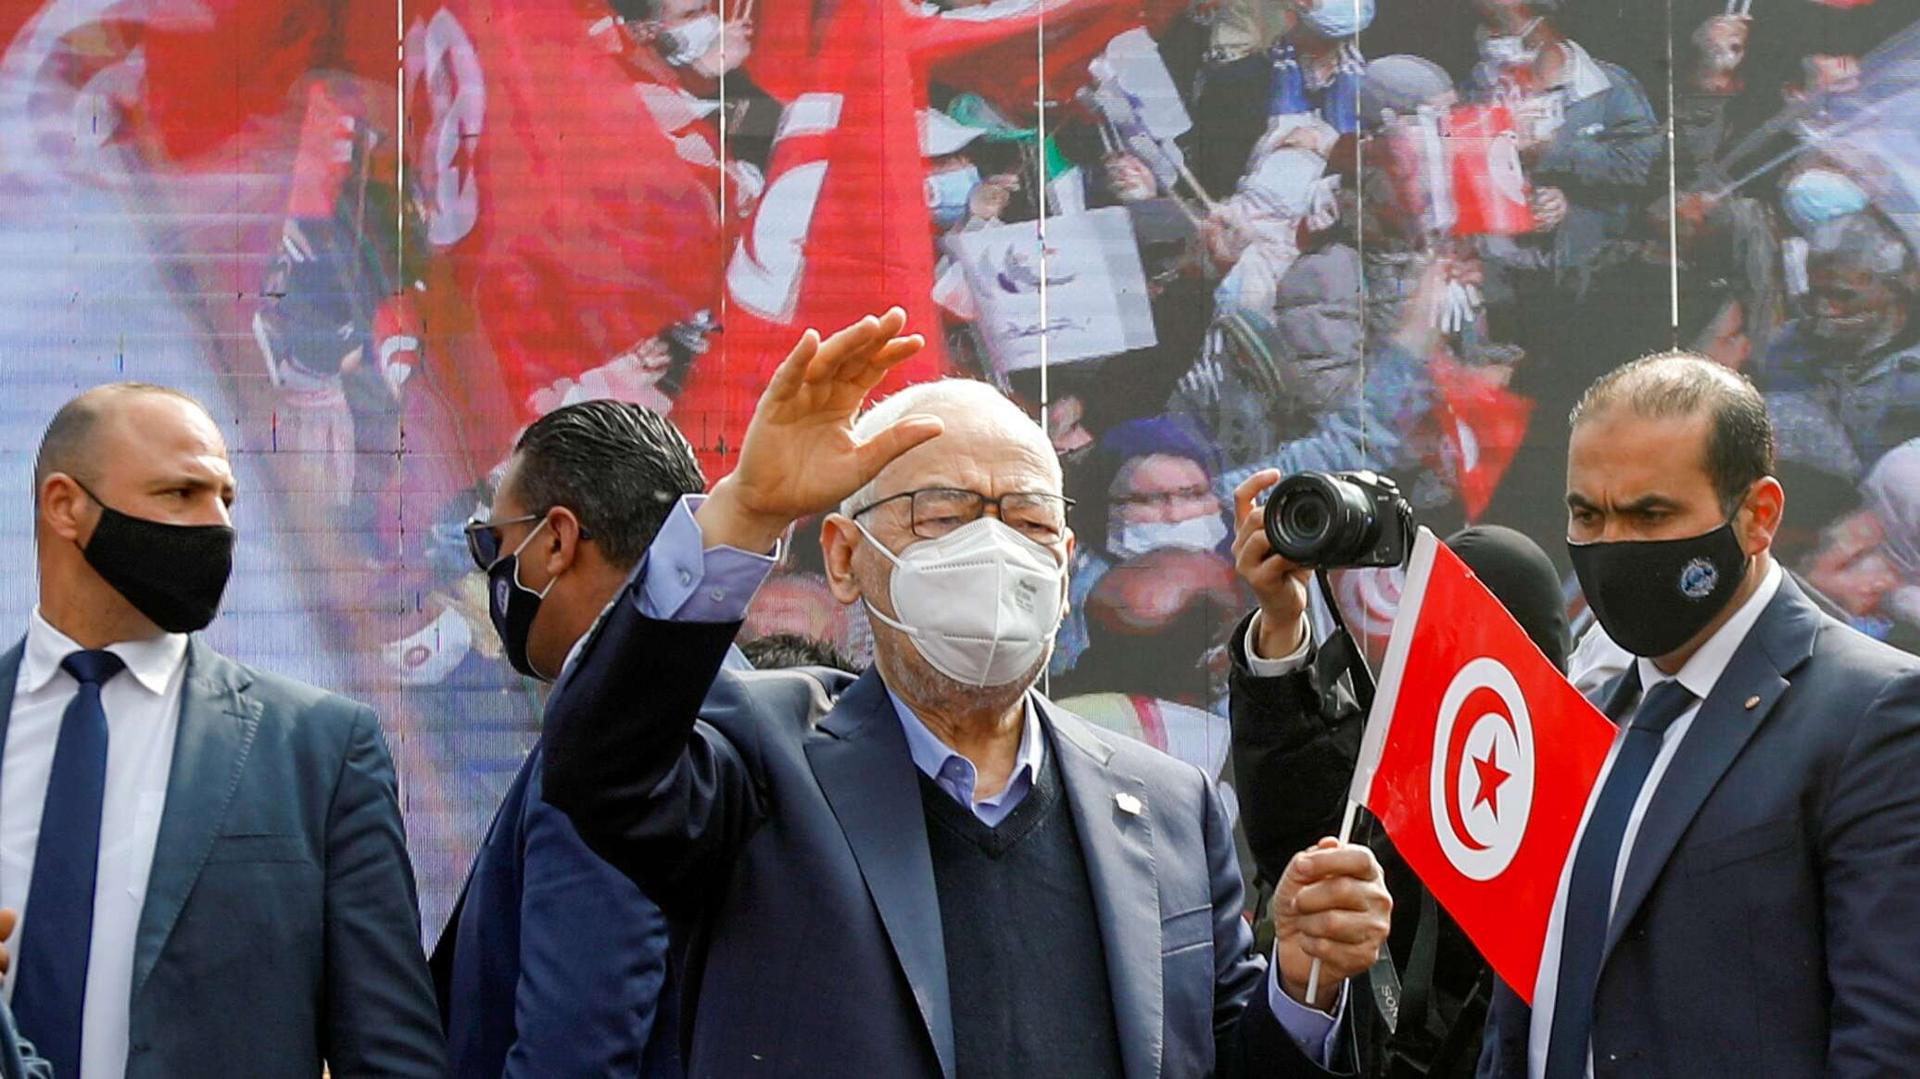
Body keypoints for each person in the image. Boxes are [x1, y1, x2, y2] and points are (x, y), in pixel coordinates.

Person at [538, 310, 1395, 1076]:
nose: (993, 549)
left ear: (1064, 565)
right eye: (943, 515)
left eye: (1027, 520)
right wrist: (745, 515)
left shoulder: (1172, 807)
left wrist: (1300, 984)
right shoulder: (760, 755)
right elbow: (600, 763)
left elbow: (1220, 1054)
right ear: (844, 556)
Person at [1474, 352, 1920, 1076]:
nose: (1611, 546)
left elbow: (1890, 1041)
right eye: (1588, 514)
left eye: (1651, 514)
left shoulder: (1874, 714)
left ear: (1758, 516)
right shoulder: (1575, 725)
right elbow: (1526, 1008)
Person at [4, 383, 445, 1078]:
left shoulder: (320, 749)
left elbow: (391, 1053)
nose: (217, 525)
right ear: (65, 506)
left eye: (226, 499)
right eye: (181, 493)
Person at [1226, 484, 1572, 1079]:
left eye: (1494, 634)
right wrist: (1282, 621)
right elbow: (1303, 827)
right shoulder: (1397, 789)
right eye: (1447, 626)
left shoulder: (1598, 804)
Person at [430, 400, 716, 1078]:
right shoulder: (743, 708)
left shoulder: (605, 749)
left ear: (557, 541)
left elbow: (573, 1052)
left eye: (491, 545)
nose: (489, 573)